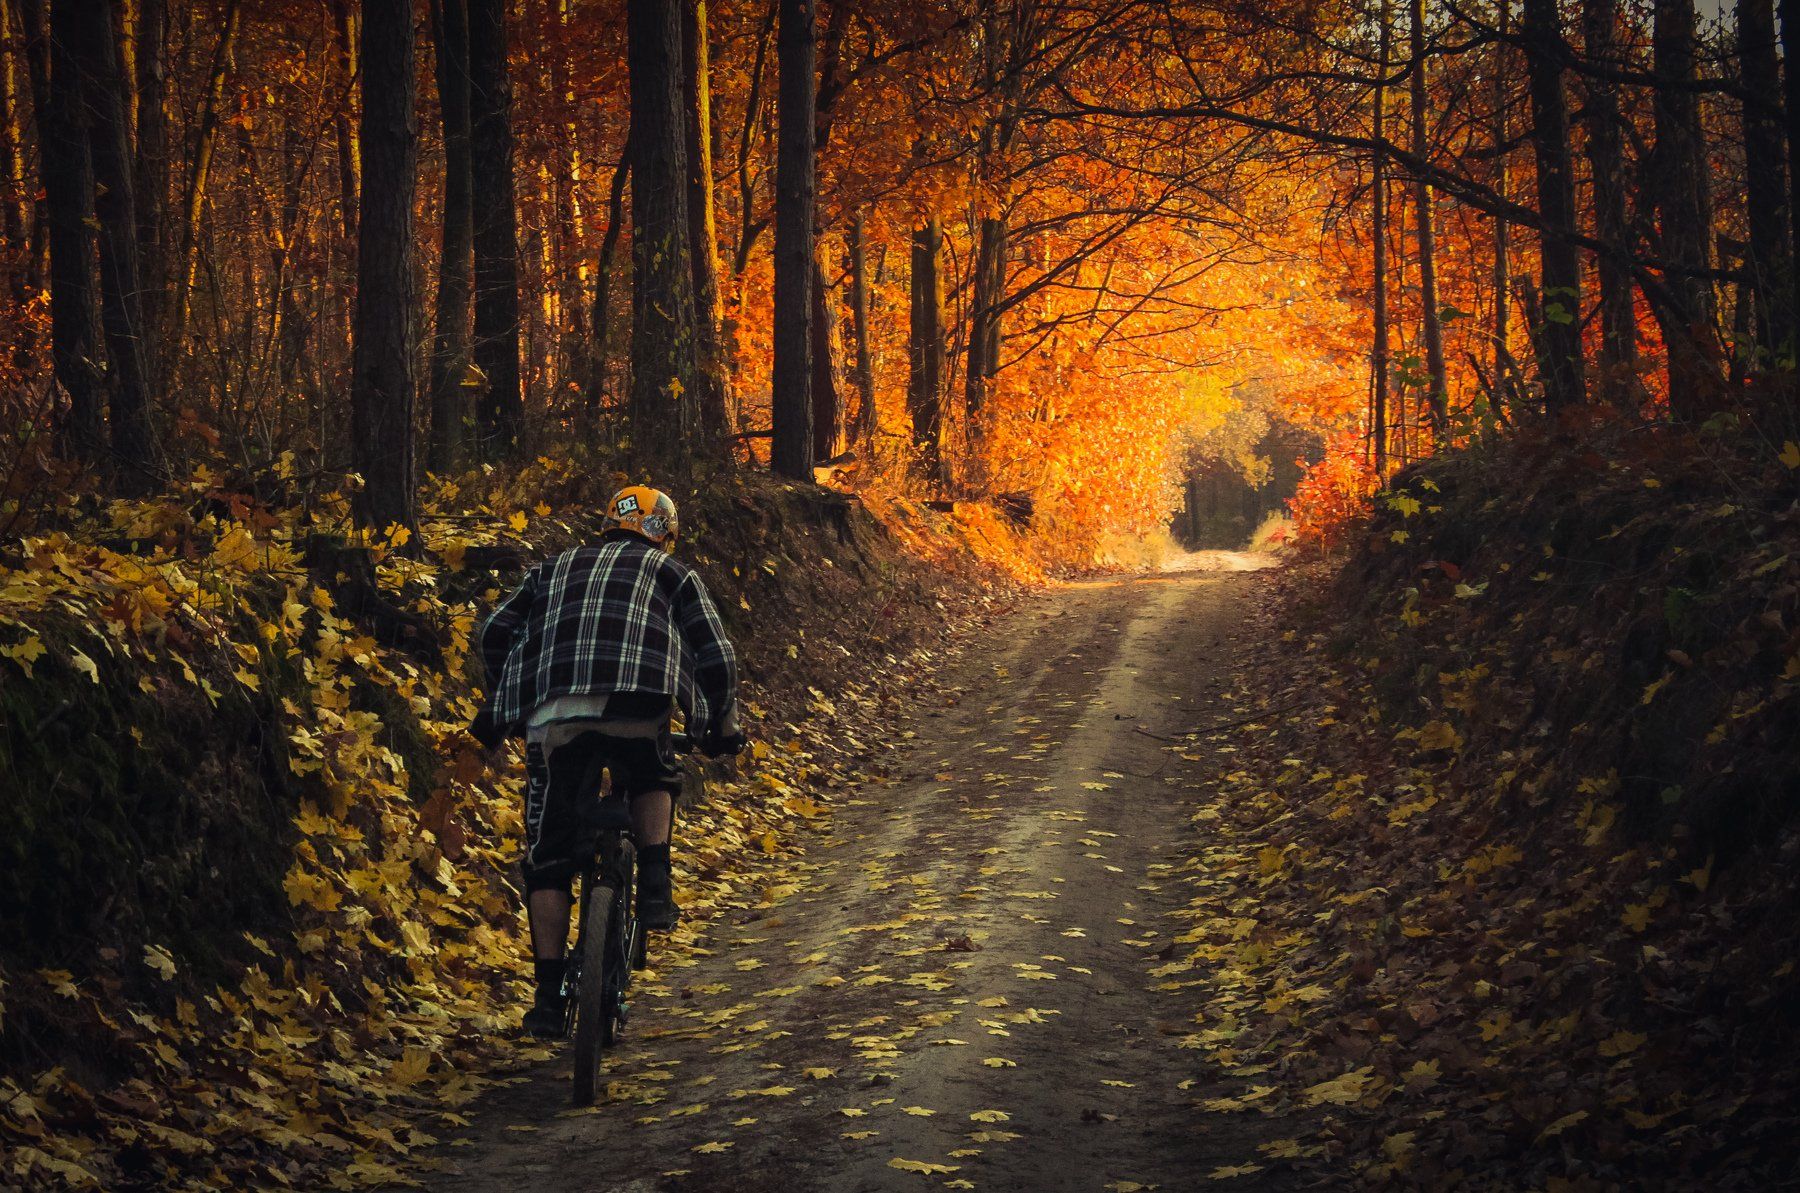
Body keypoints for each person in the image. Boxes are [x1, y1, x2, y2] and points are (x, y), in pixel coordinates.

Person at [470, 484, 745, 1037]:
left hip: (555, 715)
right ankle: (657, 884)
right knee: (655, 769)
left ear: (607, 523)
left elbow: (494, 632)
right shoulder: (673, 574)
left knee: (547, 856)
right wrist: (721, 722)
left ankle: (547, 1000)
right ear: (664, 533)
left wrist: (513, 693)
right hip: (636, 702)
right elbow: (715, 653)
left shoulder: (552, 568)